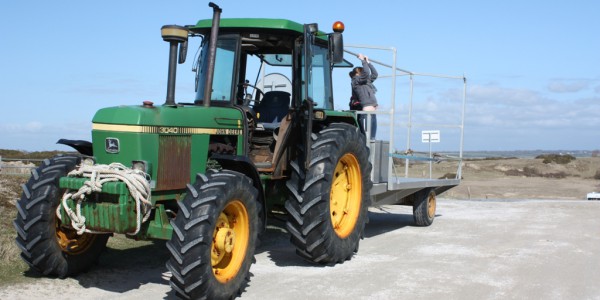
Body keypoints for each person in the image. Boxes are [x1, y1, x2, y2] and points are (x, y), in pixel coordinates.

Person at [349, 53, 378, 140]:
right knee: (365, 136)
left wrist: (368, 62)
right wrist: (362, 60)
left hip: (372, 108)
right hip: (365, 109)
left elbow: (375, 74)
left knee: (371, 137)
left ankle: (371, 142)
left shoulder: (365, 81)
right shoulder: (356, 80)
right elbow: (366, 73)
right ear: (359, 73)